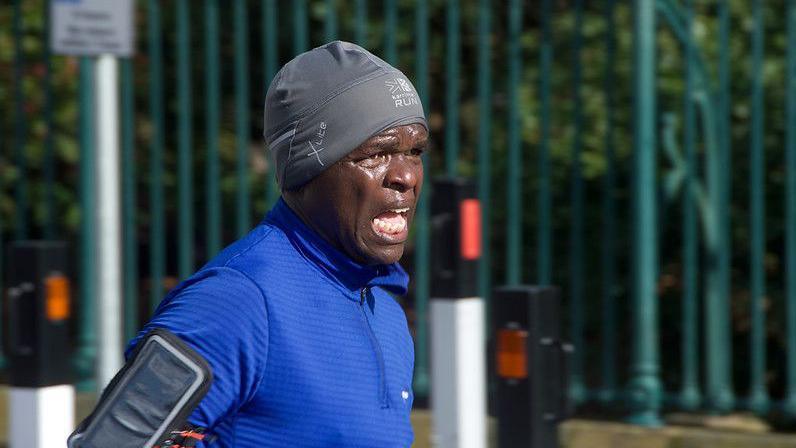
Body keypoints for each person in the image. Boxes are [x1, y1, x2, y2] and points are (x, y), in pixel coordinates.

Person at [127, 41, 428, 447]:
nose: (406, 176)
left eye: (415, 151)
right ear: (308, 169)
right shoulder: (235, 303)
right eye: (377, 154)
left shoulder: (386, 314)